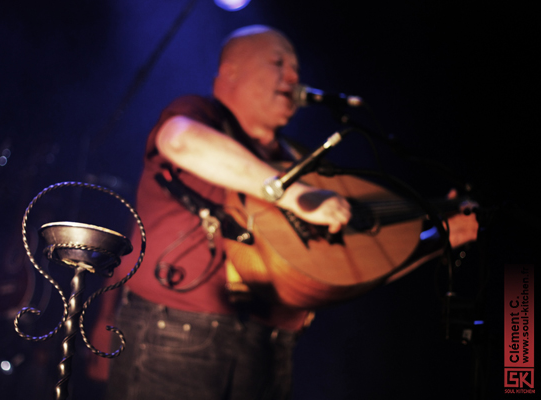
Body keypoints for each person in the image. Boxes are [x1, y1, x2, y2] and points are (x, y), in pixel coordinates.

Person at [87, 25, 478, 399]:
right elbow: (181, 140)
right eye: (278, 63)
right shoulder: (199, 113)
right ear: (230, 72)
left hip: (271, 349)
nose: (293, 75)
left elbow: (349, 268)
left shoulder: (299, 160)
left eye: (296, 67)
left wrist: (438, 238)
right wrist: (294, 195)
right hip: (174, 335)